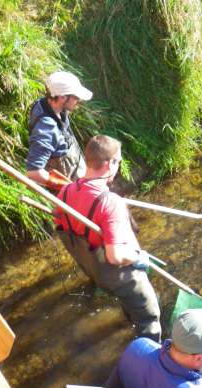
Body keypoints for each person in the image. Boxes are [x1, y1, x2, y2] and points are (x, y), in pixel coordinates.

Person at [54, 134, 161, 340]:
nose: (119, 165)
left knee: (128, 301)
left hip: (93, 269)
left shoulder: (66, 191)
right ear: (110, 163)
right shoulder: (111, 203)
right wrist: (139, 258)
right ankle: (148, 355)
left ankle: (129, 314)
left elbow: (60, 223)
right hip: (118, 274)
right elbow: (115, 256)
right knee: (150, 317)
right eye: (118, 161)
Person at [26, 71, 92, 190]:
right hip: (67, 195)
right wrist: (69, 188)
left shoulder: (50, 104)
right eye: (76, 97)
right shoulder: (47, 129)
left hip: (78, 177)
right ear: (62, 97)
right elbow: (33, 172)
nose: (79, 101)